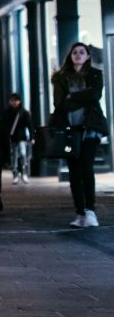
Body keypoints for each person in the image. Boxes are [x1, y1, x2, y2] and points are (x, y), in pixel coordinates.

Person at [49, 42, 107, 229]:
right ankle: (79, 213)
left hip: (90, 128)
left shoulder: (95, 74)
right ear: (70, 56)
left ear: (88, 56)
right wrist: (83, 96)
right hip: (69, 130)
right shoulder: (60, 77)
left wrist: (72, 97)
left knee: (86, 168)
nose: (78, 55)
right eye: (75, 52)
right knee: (74, 172)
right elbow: (59, 103)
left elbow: (95, 96)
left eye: (82, 52)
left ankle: (90, 211)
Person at [4, 93, 33, 184]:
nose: (13, 102)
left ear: (19, 101)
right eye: (12, 100)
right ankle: (16, 174)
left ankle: (23, 173)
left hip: (21, 138)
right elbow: (4, 126)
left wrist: (32, 137)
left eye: (15, 100)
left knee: (23, 154)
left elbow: (29, 125)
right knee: (14, 156)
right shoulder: (7, 112)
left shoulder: (23, 112)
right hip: (12, 138)